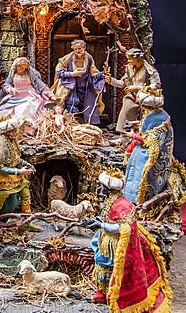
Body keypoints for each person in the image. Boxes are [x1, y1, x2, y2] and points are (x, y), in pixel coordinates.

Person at [84, 170, 172, 311]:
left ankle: (115, 295)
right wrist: (97, 222)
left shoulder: (123, 204)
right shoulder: (109, 200)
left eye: (101, 187)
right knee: (101, 265)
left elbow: (124, 227)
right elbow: (108, 218)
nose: (99, 189)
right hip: (105, 238)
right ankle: (103, 292)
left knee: (113, 267)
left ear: (108, 189)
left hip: (117, 243)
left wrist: (101, 225)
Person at [122, 88, 173, 205]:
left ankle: (139, 199)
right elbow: (147, 129)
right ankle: (129, 195)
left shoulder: (160, 118)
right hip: (142, 148)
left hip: (151, 153)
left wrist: (133, 136)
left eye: (144, 106)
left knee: (140, 171)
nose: (143, 108)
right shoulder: (152, 115)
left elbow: (152, 140)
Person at [106, 48, 161, 133]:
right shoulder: (129, 68)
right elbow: (122, 83)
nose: (128, 61)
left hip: (146, 98)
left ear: (137, 58)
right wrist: (111, 80)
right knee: (127, 106)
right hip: (133, 97)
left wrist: (137, 87)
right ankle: (124, 133)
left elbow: (156, 86)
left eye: (130, 58)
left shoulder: (150, 71)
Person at [51, 39, 106, 125]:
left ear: (84, 48)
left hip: (85, 86)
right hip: (71, 86)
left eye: (80, 49)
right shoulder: (67, 58)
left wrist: (103, 73)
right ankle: (71, 123)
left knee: (87, 104)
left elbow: (94, 71)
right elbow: (59, 72)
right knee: (72, 104)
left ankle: (87, 124)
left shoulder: (89, 58)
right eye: (75, 49)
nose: (77, 51)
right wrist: (73, 74)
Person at [0, 57, 56, 134]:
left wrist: (50, 94)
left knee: (27, 107)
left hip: (30, 95)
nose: (21, 68)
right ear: (15, 66)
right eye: (19, 66)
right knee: (4, 111)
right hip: (16, 96)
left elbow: (41, 85)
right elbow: (6, 85)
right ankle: (8, 128)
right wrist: (10, 89)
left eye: (23, 66)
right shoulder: (12, 75)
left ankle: (26, 129)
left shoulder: (30, 75)